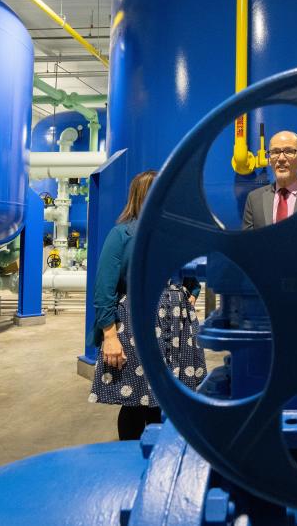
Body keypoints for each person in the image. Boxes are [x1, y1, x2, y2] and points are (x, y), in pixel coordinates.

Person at [89, 170, 207, 440]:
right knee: (135, 400)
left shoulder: (176, 235)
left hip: (178, 325)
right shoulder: (122, 235)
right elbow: (103, 288)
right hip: (137, 324)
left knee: (170, 399)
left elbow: (193, 272)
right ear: (142, 197)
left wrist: (192, 292)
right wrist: (109, 335)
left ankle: (162, 455)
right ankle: (131, 458)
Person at [242, 130, 297, 229]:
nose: (281, 158)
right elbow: (248, 242)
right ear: (269, 159)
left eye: (289, 151)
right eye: (275, 152)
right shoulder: (254, 199)